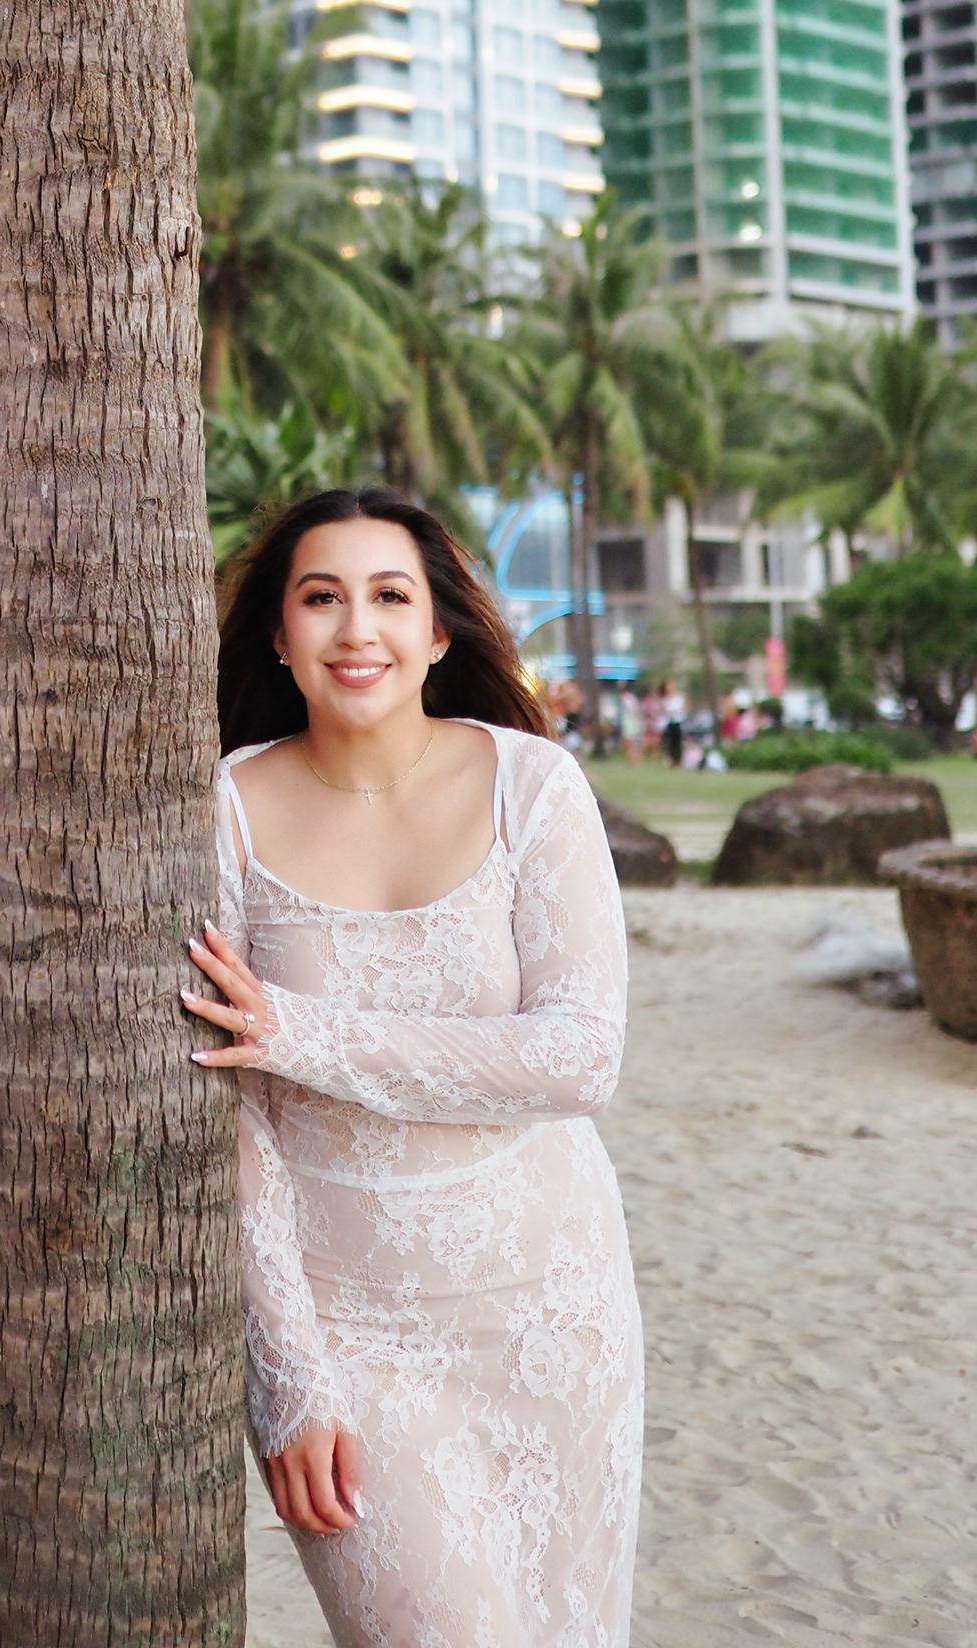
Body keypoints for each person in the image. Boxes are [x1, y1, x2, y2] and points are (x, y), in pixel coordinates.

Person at [182, 486, 642, 1648]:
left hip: (556, 1312)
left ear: (439, 632)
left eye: (391, 596)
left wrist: (302, 1033)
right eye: (320, 598)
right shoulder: (221, 811)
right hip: (355, 1335)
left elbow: (579, 1056)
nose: (356, 629)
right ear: (279, 637)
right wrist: (290, 1375)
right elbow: (235, 1118)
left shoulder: (533, 787)